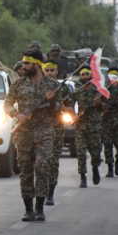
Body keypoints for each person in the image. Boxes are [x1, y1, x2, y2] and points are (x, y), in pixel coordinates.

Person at [3, 49, 60, 222]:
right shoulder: (19, 84)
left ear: (37, 64)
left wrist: (51, 101)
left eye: (27, 63)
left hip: (44, 132)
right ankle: (28, 209)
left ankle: (40, 208)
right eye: (23, 63)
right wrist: (16, 114)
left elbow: (59, 109)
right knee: (26, 170)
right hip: (24, 133)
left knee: (43, 167)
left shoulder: (52, 85)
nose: (23, 66)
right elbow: (7, 104)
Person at [66, 65, 103, 187]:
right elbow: (69, 105)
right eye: (83, 75)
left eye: (87, 74)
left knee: (95, 152)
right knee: (81, 152)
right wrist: (73, 116)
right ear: (80, 77)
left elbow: (105, 108)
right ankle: (83, 177)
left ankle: (95, 168)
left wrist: (99, 104)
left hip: (94, 127)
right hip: (81, 126)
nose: (85, 77)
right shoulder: (78, 91)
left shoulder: (98, 91)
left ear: (91, 75)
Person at [42, 58, 71, 205]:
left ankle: (50, 193)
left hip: (57, 127)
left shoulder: (63, 87)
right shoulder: (37, 86)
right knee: (41, 161)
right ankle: (40, 190)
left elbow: (70, 107)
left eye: (51, 70)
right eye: (46, 70)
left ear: (56, 71)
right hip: (40, 127)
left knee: (53, 161)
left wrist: (62, 107)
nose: (49, 73)